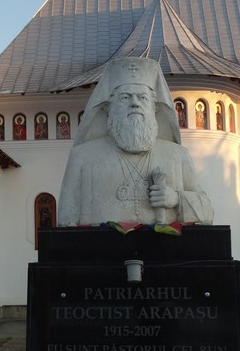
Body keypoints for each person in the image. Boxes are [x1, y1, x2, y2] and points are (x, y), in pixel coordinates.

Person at [58, 57, 214, 226]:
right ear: (109, 108)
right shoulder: (82, 157)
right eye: (125, 98)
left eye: (143, 98)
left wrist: (176, 199)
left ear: (154, 108)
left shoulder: (178, 155)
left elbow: (207, 213)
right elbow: (66, 221)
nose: (135, 104)